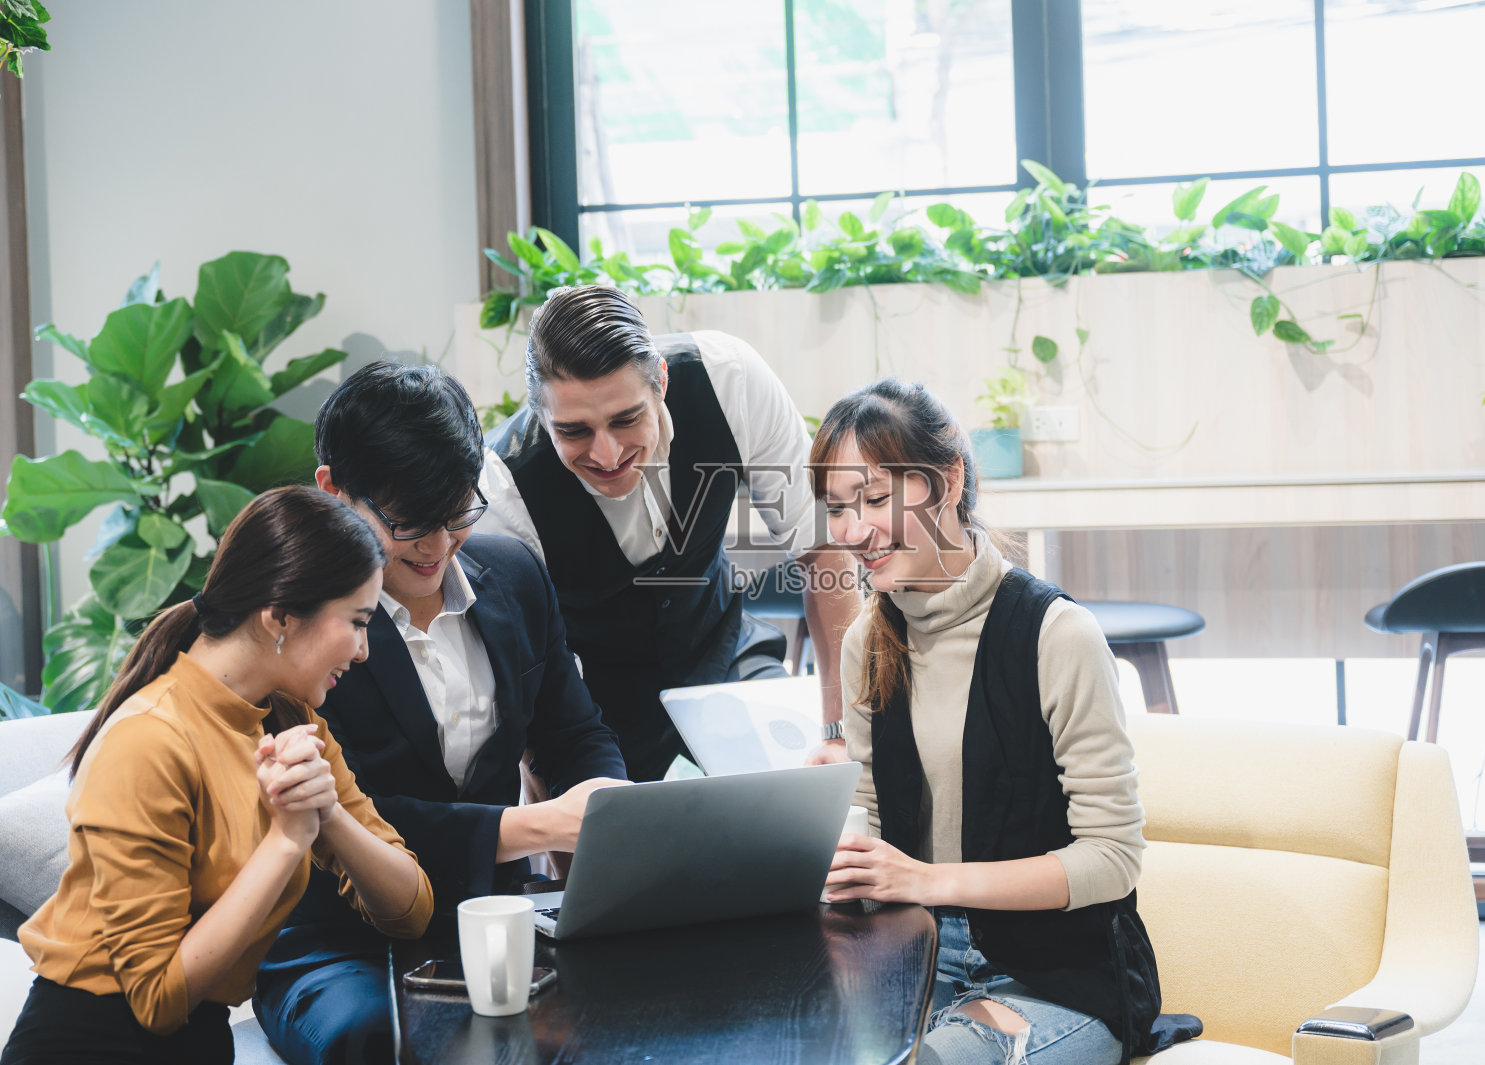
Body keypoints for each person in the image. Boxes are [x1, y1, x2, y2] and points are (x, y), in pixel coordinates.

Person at [254, 360, 629, 1065]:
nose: (435, 545)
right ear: (333, 490)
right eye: (409, 522)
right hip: (345, 942)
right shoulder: (292, 625)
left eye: (457, 513)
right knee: (384, 1042)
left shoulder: (514, 575)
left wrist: (604, 800)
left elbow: (575, 732)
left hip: (502, 919)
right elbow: (347, 811)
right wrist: (534, 825)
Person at [813, 380, 1197, 1065]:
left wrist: (928, 879)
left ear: (948, 480)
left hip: (1054, 983)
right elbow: (869, 819)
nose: (852, 531)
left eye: (873, 499)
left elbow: (1112, 858)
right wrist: (826, 843)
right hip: (909, 963)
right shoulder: (867, 640)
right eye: (838, 507)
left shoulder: (1058, 633)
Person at [0, 487, 433, 1065]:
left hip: (199, 1039)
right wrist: (286, 840)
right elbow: (156, 1000)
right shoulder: (148, 738)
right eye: (357, 622)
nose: (363, 651)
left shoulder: (291, 723)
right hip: (89, 1042)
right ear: (280, 616)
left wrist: (328, 813)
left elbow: (410, 911)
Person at [478, 284, 860, 780]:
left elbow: (822, 548)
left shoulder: (730, 379)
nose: (607, 454)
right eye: (574, 431)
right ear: (540, 412)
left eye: (626, 419)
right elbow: (527, 682)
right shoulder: (502, 488)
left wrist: (839, 729)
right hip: (596, 714)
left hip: (725, 655)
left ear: (660, 379)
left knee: (804, 788)